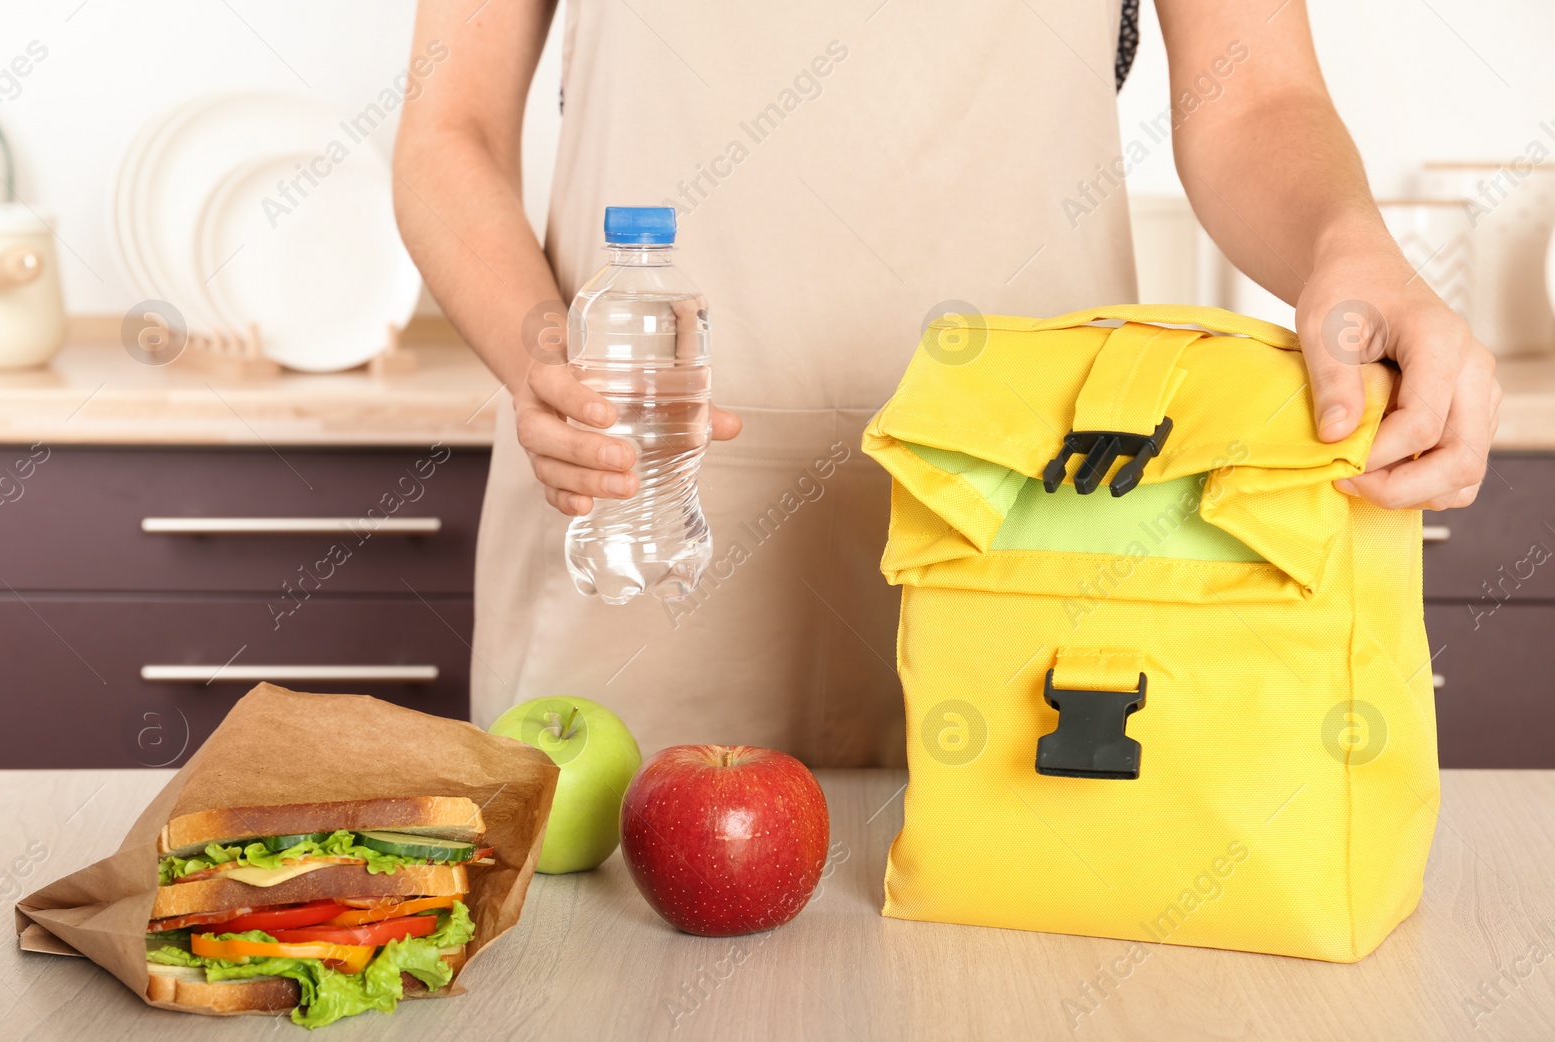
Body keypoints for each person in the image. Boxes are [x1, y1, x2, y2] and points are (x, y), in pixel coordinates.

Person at [393, 0, 1499, 766]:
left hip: (1028, 511)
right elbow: (453, 129)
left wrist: (1351, 246)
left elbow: (1253, 96)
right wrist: (542, 348)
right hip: (644, 509)